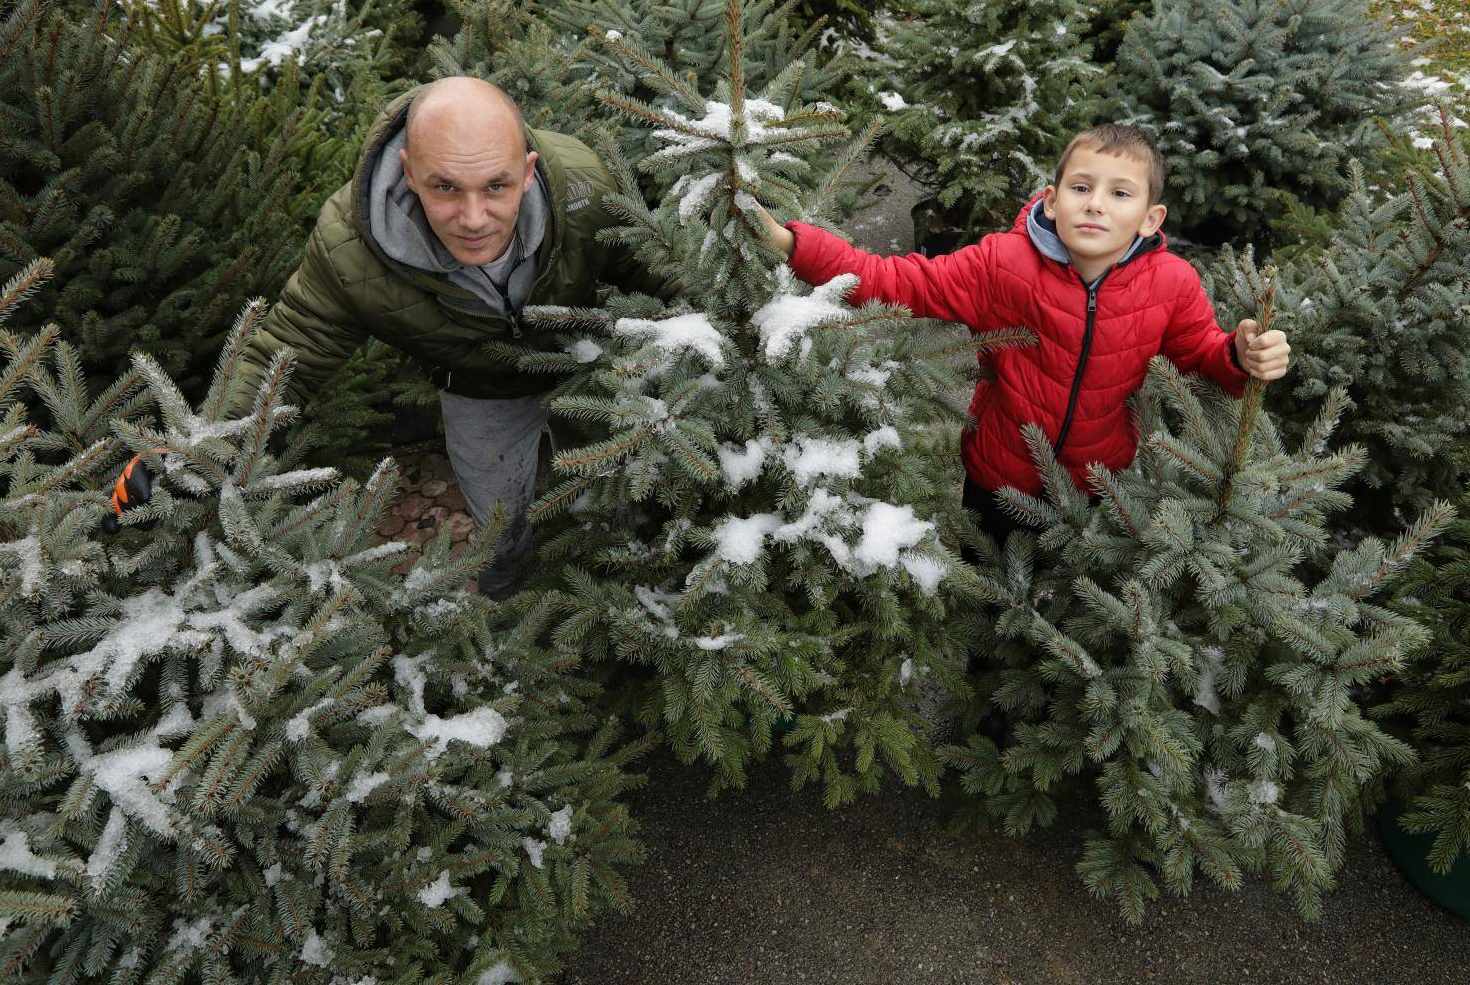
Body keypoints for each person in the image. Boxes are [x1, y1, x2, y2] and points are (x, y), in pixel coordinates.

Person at [165, 77, 672, 598]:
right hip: (479, 389)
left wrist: (757, 300)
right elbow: (287, 350)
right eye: (445, 187)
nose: (473, 219)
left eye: (496, 187)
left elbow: (660, 273)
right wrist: (197, 451)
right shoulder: (350, 247)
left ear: (527, 171)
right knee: (497, 522)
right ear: (409, 171)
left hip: (586, 366)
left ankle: (616, 583)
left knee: (611, 486)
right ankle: (507, 599)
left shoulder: (584, 186)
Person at [756, 123, 1292, 548]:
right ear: (1054, 200)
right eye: (1081, 187)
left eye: (1119, 193)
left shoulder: (1171, 283)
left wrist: (1240, 356)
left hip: (1099, 488)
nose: (1096, 203)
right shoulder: (1002, 264)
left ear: (1150, 218)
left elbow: (1202, 357)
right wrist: (791, 243)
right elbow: (897, 281)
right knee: (987, 600)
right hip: (1000, 479)